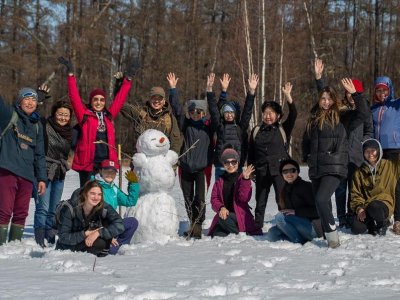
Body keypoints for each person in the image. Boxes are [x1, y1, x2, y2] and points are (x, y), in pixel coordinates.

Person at [302, 76, 370, 248]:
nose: (326, 102)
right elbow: (306, 140)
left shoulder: (342, 117)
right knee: (319, 202)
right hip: (316, 167)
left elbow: (363, 113)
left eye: (329, 99)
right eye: (323, 99)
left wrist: (356, 95)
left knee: (322, 198)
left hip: (335, 167)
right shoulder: (314, 118)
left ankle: (332, 236)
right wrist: (307, 156)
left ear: (334, 101)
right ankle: (326, 235)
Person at [58, 57, 136, 187]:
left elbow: (120, 99)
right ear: (91, 101)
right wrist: (70, 75)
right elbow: (74, 97)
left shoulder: (109, 116)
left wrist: (128, 80)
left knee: (104, 195)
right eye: (96, 99)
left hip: (106, 163)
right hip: (88, 162)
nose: (99, 102)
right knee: (88, 194)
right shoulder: (84, 115)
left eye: (101, 100)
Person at [314, 59, 373, 227]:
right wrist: (319, 79)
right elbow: (326, 102)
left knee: (354, 189)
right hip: (340, 157)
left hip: (357, 156)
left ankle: (351, 214)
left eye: (352, 92)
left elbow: (367, 126)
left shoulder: (363, 110)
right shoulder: (342, 111)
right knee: (340, 189)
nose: (349, 95)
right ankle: (341, 217)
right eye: (347, 92)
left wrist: (364, 145)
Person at [169, 73, 219, 239]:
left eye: (198, 112)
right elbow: (177, 111)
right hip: (186, 168)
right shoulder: (186, 125)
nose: (195, 114)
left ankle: (198, 224)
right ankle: (192, 223)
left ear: (203, 113)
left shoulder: (209, 127)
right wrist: (173, 90)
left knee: (200, 199)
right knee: (188, 198)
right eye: (192, 112)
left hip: (202, 170)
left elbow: (215, 112)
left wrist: (210, 91)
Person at [0, 88, 47, 245]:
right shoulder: (9, 116)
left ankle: (14, 247)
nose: (30, 102)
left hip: (28, 175)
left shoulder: (37, 125)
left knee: (21, 213)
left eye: (33, 100)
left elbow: (40, 155)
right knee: (4, 211)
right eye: (27, 99)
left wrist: (41, 178)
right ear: (19, 101)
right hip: (8, 170)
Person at [247, 82, 297, 230]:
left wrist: (288, 96)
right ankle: (257, 228)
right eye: (265, 113)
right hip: (261, 171)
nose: (268, 116)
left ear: (278, 115)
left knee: (281, 200)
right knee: (260, 201)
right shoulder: (256, 131)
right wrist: (250, 171)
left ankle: (287, 226)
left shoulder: (283, 129)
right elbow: (251, 152)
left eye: (271, 113)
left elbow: (294, 114)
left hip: (279, 171)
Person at [34, 100, 74, 247]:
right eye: (60, 114)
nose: (63, 117)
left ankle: (50, 238)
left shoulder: (71, 132)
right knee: (42, 207)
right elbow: (33, 116)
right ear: (54, 113)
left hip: (60, 173)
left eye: (66, 115)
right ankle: (39, 240)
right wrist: (38, 99)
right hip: (44, 171)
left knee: (53, 208)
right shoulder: (45, 125)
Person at [209, 73, 258, 180]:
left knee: (236, 194)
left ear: (235, 114)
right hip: (221, 166)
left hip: (237, 166)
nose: (229, 114)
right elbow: (213, 110)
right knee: (221, 193)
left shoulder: (240, 127)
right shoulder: (220, 126)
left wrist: (252, 92)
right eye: (226, 112)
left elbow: (247, 111)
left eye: (231, 112)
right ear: (223, 114)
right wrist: (209, 90)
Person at [56, 180, 124, 256]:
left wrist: (99, 232)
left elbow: (119, 224)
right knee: (100, 243)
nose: (96, 197)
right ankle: (106, 250)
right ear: (85, 194)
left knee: (130, 222)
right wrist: (85, 234)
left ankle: (110, 249)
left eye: (99, 194)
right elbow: (63, 237)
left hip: (90, 241)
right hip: (67, 249)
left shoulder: (102, 206)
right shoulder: (69, 208)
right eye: (92, 194)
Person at [119, 73, 182, 155]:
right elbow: (121, 105)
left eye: (159, 99)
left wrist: (171, 161)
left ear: (164, 101)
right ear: (149, 99)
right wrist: (120, 84)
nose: (156, 101)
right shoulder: (140, 114)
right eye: (154, 98)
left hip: (161, 162)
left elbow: (175, 143)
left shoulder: (169, 118)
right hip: (142, 162)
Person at [208, 147, 261, 237]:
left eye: (233, 162)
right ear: (223, 164)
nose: (230, 165)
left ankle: (241, 234)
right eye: (227, 162)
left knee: (222, 220)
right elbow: (214, 199)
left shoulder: (242, 178)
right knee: (217, 234)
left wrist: (245, 179)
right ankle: (232, 232)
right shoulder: (219, 181)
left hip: (240, 216)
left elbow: (244, 198)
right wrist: (221, 208)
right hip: (225, 215)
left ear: (238, 163)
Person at [267, 159, 322, 244]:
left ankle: (298, 241)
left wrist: (296, 212)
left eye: (292, 170)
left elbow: (318, 211)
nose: (289, 174)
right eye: (285, 171)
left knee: (279, 217)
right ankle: (300, 238)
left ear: (297, 172)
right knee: (272, 233)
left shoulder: (306, 186)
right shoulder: (284, 190)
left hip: (312, 227)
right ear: (282, 174)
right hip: (297, 226)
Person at [350, 139, 395, 236]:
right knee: (356, 227)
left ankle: (383, 222)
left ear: (378, 151)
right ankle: (371, 223)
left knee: (375, 207)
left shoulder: (389, 165)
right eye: (367, 151)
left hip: (384, 203)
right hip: (367, 205)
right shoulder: (359, 172)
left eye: (373, 150)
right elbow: (355, 194)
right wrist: (359, 209)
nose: (370, 154)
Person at [93, 159, 139, 254]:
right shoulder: (95, 187)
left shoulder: (113, 188)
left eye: (113, 172)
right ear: (101, 171)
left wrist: (134, 184)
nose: (110, 174)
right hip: (98, 227)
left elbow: (129, 201)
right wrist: (108, 235)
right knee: (109, 251)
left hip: (112, 224)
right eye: (106, 171)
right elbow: (94, 215)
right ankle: (110, 245)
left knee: (132, 223)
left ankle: (120, 245)